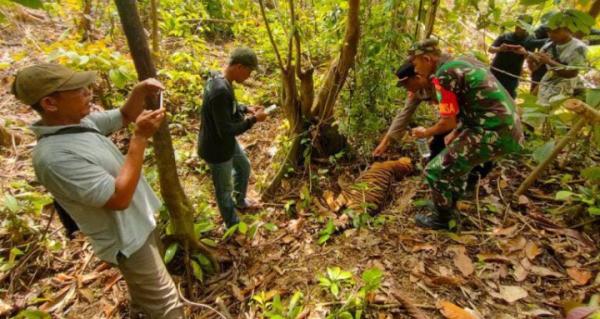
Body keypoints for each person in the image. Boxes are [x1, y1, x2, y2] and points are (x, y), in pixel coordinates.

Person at [12, 64, 184, 318]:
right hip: (127, 239)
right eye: (78, 90)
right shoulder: (54, 157)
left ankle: (139, 311)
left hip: (141, 222)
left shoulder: (81, 123)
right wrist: (140, 138)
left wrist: (138, 92)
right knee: (168, 307)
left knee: (147, 295)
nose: (88, 93)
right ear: (50, 103)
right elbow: (117, 198)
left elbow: (125, 115)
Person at [409, 39, 524, 230]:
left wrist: (425, 132)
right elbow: (471, 104)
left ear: (427, 59)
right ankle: (447, 203)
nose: (415, 69)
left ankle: (444, 220)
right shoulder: (464, 62)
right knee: (455, 161)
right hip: (503, 127)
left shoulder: (444, 75)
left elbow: (447, 121)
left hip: (493, 130)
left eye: (415, 63)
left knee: (435, 171)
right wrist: (458, 131)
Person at [197, 47, 267, 229]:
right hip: (216, 149)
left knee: (243, 166)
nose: (249, 76)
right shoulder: (220, 90)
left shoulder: (220, 80)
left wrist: (245, 108)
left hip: (224, 143)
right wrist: (253, 120)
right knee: (224, 190)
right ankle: (232, 224)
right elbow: (227, 130)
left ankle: (241, 201)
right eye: (249, 71)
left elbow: (226, 107)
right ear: (238, 66)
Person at [372, 62, 432, 157]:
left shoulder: (437, 81)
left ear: (416, 77)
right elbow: (404, 115)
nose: (406, 88)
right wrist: (384, 143)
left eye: (406, 83)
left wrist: (429, 132)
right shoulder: (415, 92)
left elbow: (447, 119)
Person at [488, 14, 546, 98]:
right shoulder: (505, 36)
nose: (518, 29)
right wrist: (500, 49)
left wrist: (524, 52)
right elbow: (490, 49)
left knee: (507, 97)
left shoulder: (529, 41)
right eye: (518, 25)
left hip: (512, 76)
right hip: (496, 71)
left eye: (522, 27)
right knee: (489, 94)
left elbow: (532, 63)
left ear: (527, 28)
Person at [533, 22, 588, 106]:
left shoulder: (578, 47)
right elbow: (534, 68)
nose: (551, 34)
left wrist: (549, 61)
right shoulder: (548, 46)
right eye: (549, 31)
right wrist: (529, 56)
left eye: (556, 31)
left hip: (568, 87)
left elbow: (572, 73)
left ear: (568, 30)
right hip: (547, 85)